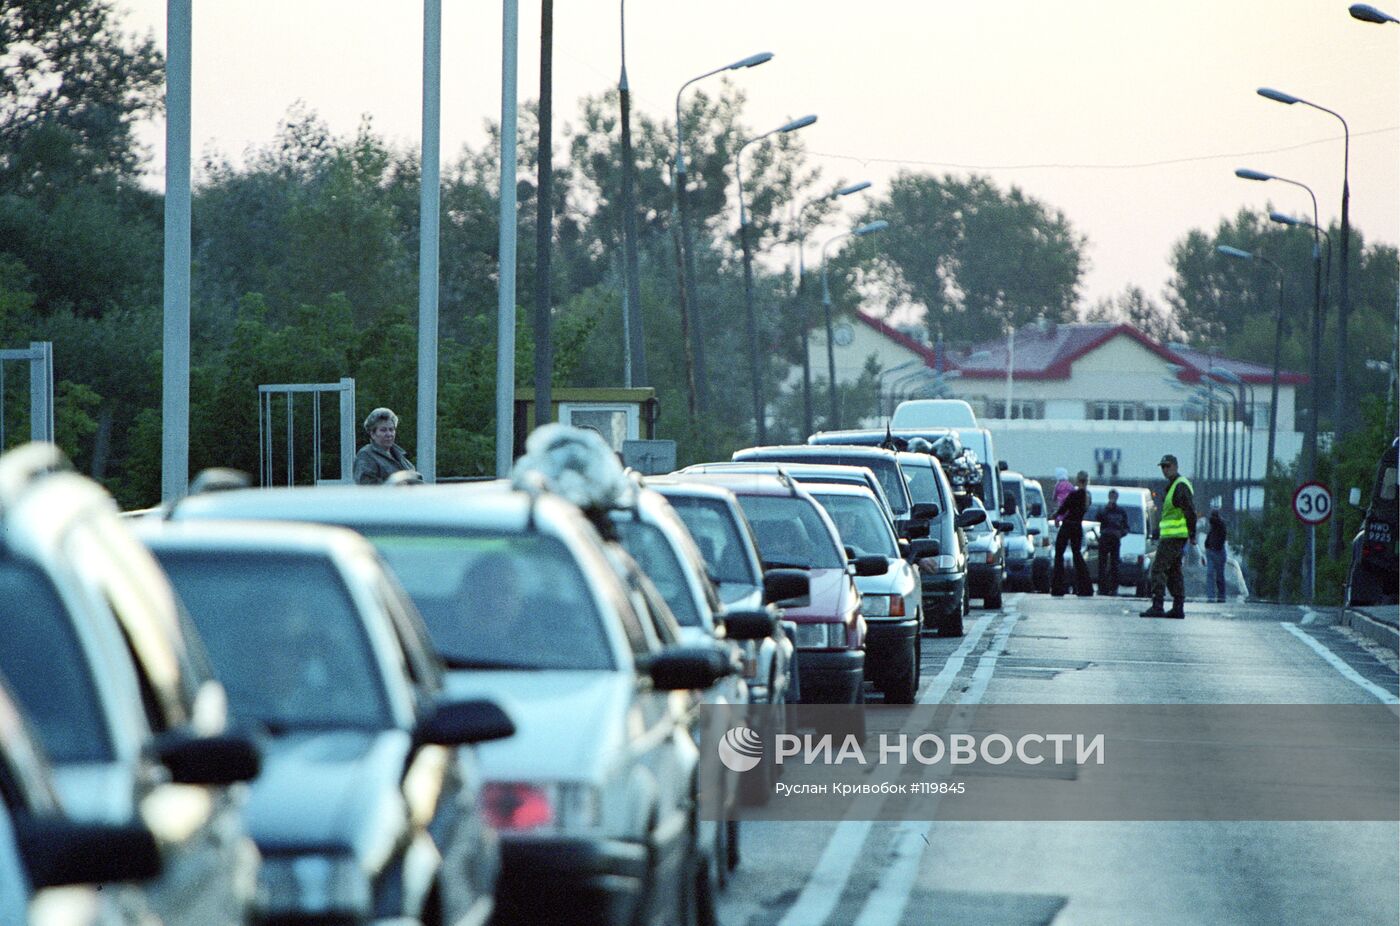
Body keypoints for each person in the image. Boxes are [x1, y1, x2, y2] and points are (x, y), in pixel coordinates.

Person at [1142, 454, 1198, 619]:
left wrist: (1192, 533)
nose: (1165, 470)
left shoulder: (1180, 486)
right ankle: (1178, 607)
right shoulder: (1173, 485)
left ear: (1175, 466)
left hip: (1174, 537)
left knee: (1158, 569)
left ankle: (1158, 605)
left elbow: (1190, 511)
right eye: (1163, 467)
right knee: (1174, 571)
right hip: (1173, 536)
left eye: (1167, 466)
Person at [1052, 471, 1093, 597]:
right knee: (1077, 555)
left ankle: (1058, 587)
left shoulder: (1075, 494)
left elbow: (1065, 507)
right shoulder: (1087, 496)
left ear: (1077, 480)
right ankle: (1085, 587)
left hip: (1068, 525)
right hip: (1077, 526)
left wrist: (1056, 515)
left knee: (1059, 554)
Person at [354, 407, 416, 485]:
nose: (389, 434)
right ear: (372, 434)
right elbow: (366, 488)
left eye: (391, 429)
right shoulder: (366, 455)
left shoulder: (400, 456)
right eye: (383, 430)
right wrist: (395, 486)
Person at [1097, 489, 1130, 596]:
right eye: (1111, 496)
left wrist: (1120, 534)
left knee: (1114, 565)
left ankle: (1114, 588)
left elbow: (1126, 527)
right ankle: (1102, 588)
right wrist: (1106, 508)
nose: (1112, 498)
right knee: (1102, 564)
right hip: (1104, 539)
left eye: (1114, 496)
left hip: (1115, 540)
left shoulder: (1121, 511)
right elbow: (1098, 518)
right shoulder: (1103, 509)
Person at [1204, 507, 1228, 602]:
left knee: (1215, 575)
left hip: (1216, 551)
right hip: (1216, 551)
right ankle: (1217, 597)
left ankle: (1214, 597)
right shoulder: (1218, 524)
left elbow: (1219, 537)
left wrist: (1208, 545)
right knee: (1216, 575)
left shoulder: (1219, 525)